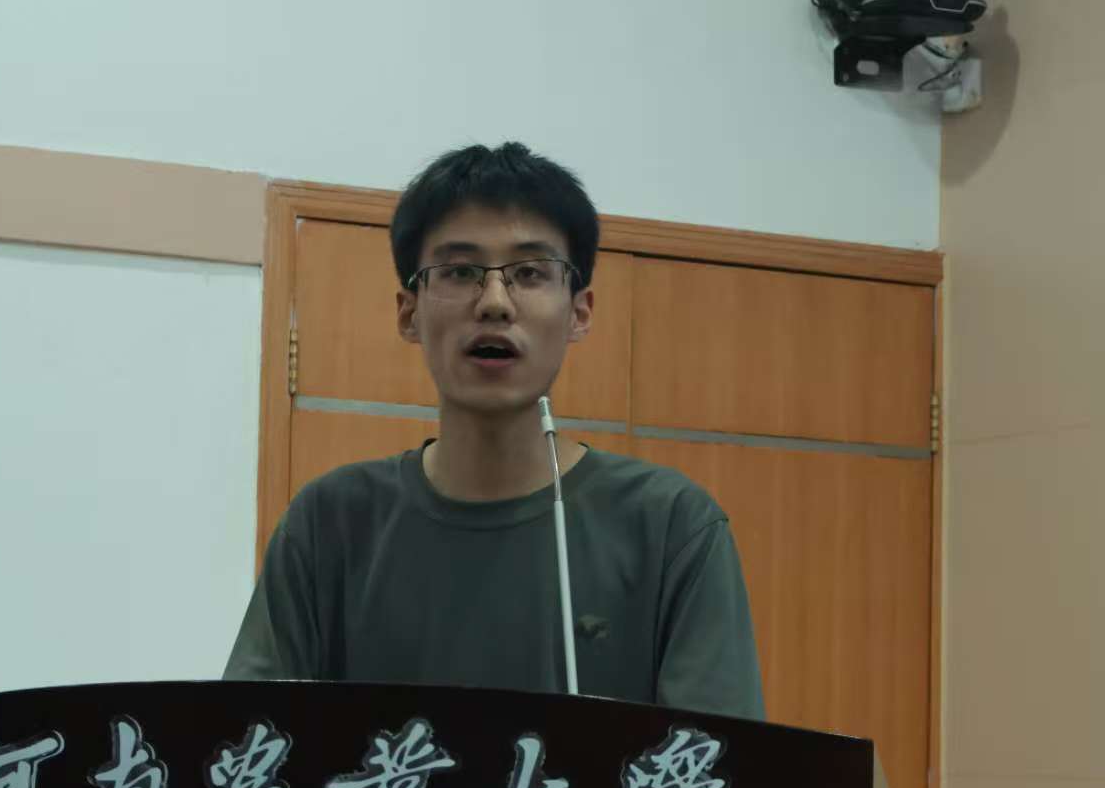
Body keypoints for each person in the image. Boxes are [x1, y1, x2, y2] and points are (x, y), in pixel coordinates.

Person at [225, 142, 764, 719]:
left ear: (579, 312)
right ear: (409, 312)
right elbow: (249, 746)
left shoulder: (671, 527)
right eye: (460, 272)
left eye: (530, 273)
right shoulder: (329, 524)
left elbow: (715, 764)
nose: (495, 303)